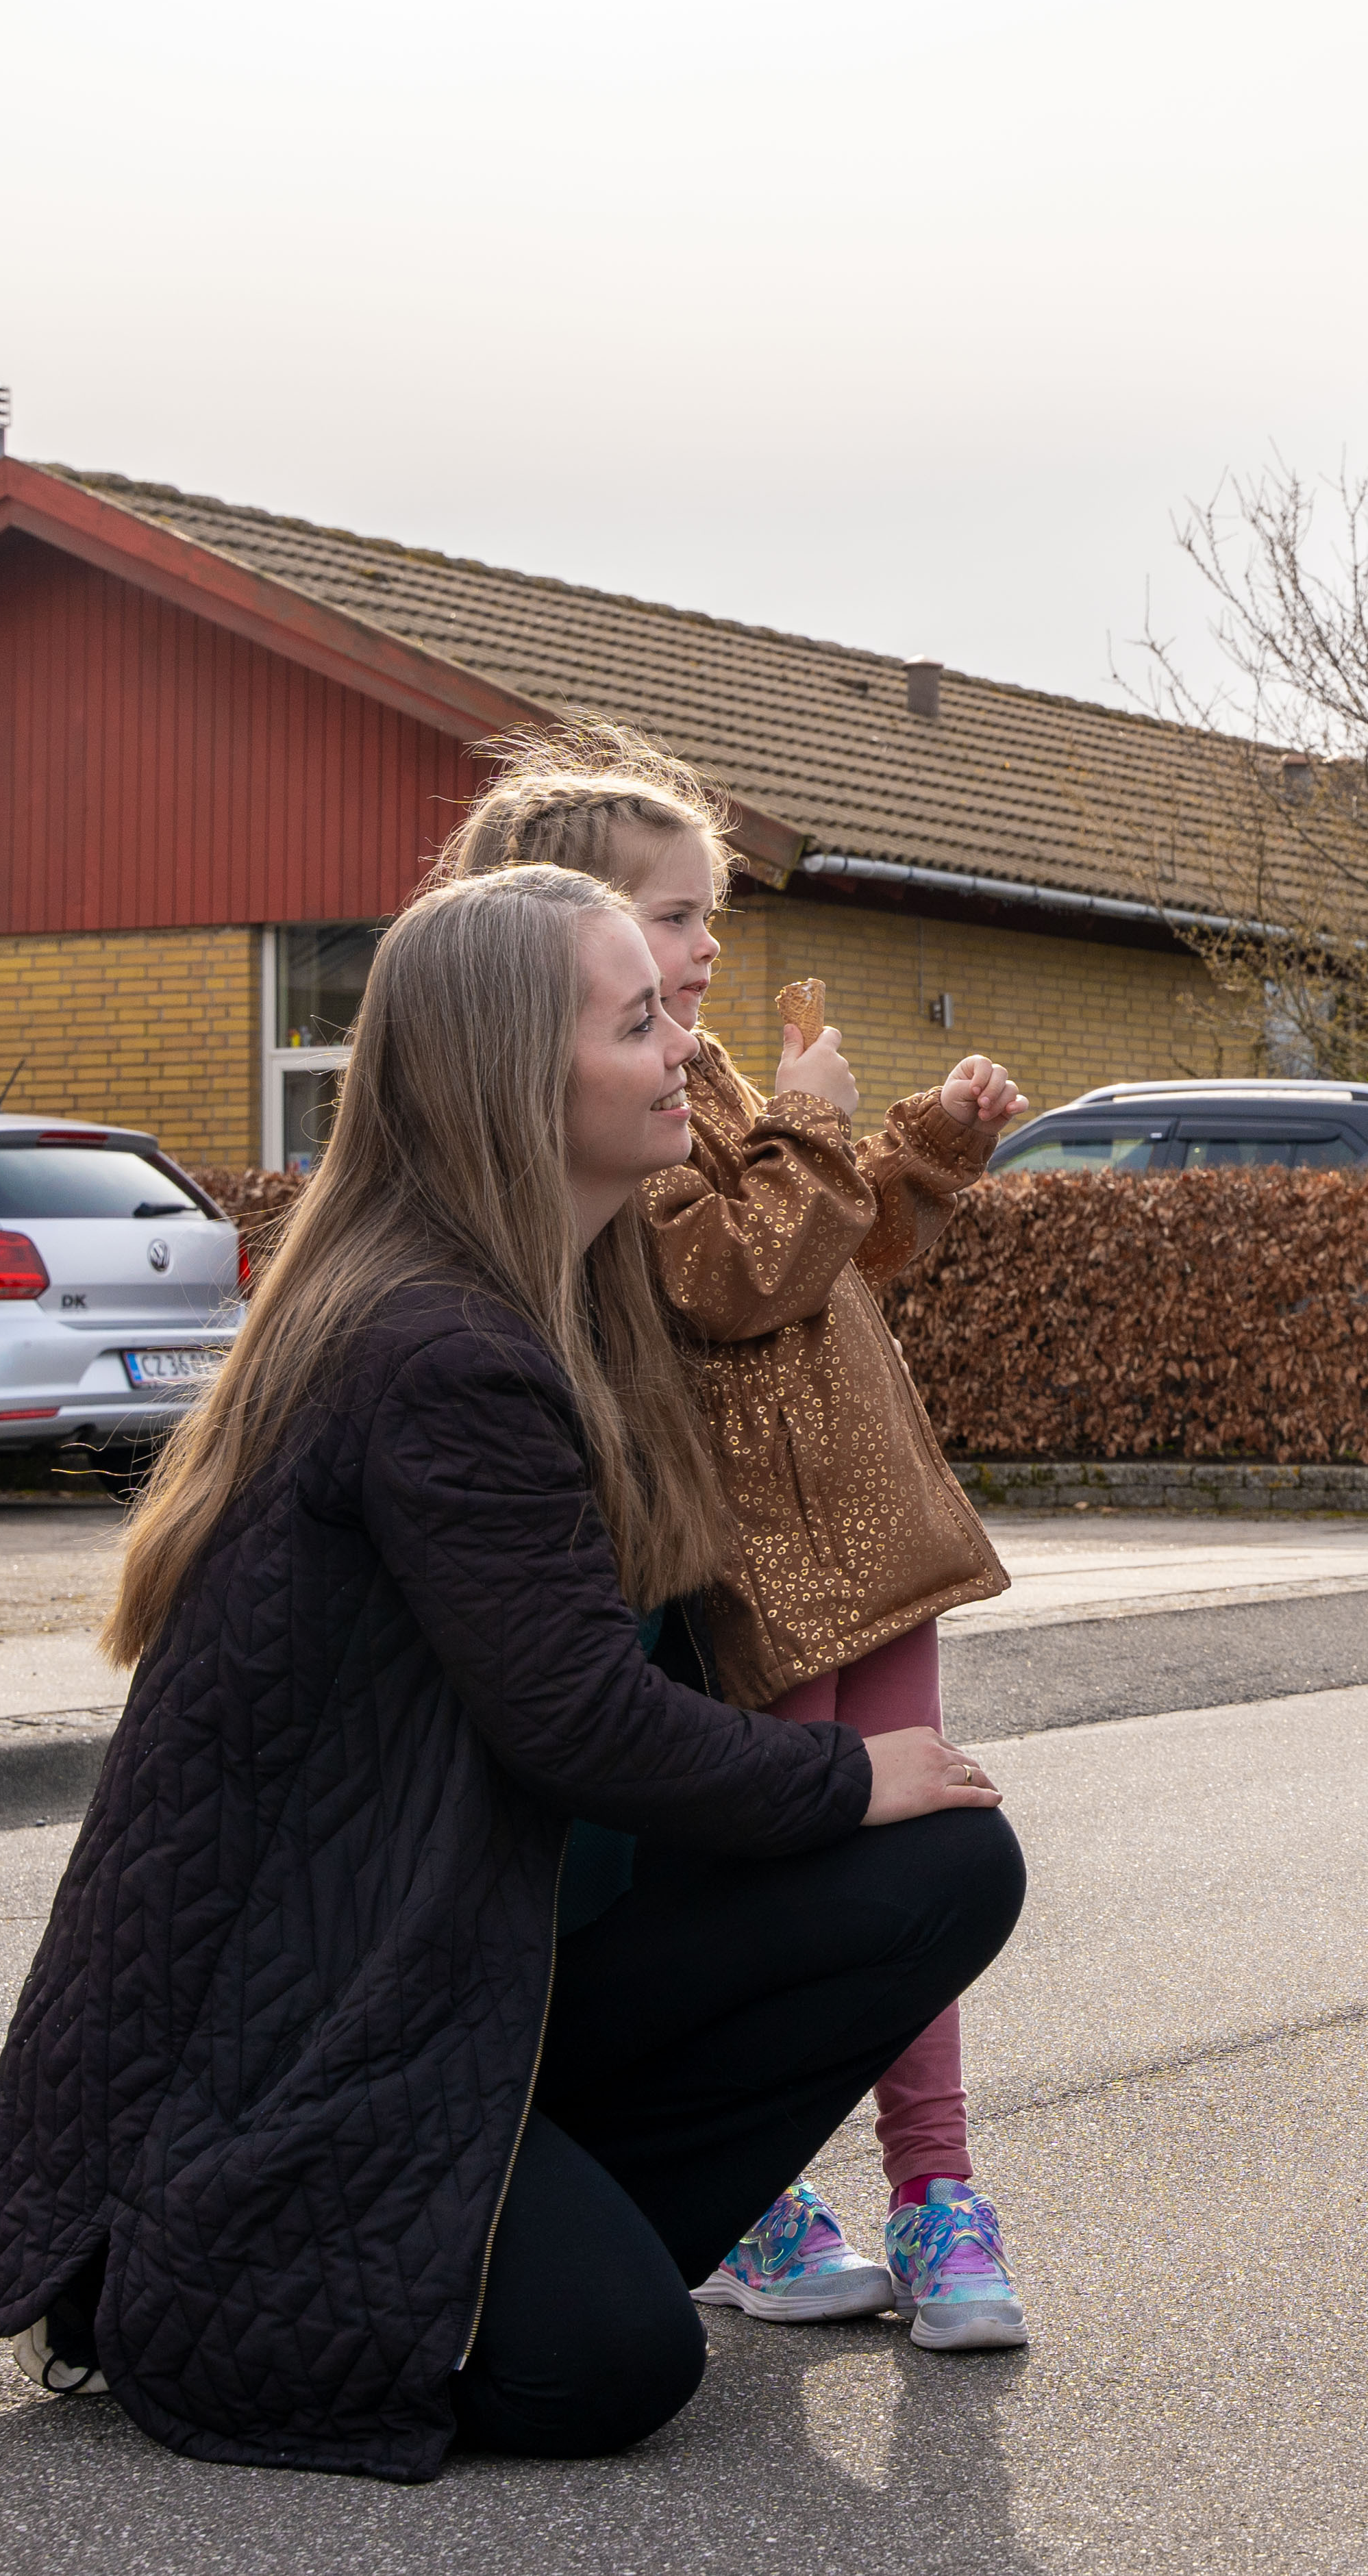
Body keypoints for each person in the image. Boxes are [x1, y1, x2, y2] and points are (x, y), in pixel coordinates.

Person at [0, 863, 1021, 2476]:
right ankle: (198, 2275)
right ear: (521, 1080)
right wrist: (854, 1769)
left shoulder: (562, 1301)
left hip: (460, 1982)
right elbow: (578, 1722)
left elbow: (790, 1291)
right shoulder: (439, 1347)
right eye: (639, 1019)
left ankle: (515, 2207)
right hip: (293, 2054)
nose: (683, 1049)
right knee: (611, 2368)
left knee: (948, 1868)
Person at [431, 725, 1034, 2348]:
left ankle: (940, 2191)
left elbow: (831, 1260)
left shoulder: (708, 1079)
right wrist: (824, 1136)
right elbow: (728, 1279)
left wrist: (924, 1149)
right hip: (761, 1576)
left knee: (920, 1857)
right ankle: (752, 2190)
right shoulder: (617, 1122)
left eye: (707, 918)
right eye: (677, 919)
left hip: (869, 1539)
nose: (708, 950)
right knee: (769, 1888)